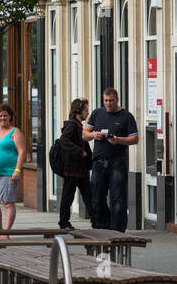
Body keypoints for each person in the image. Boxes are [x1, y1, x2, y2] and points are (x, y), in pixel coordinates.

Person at [86, 87, 138, 232]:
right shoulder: (97, 113)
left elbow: (135, 139)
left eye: (111, 101)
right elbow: (85, 133)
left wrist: (118, 140)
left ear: (117, 100)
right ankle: (101, 226)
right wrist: (93, 135)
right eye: (106, 101)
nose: (108, 104)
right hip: (98, 163)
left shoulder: (126, 116)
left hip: (117, 163)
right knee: (97, 198)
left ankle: (117, 230)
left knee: (118, 199)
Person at [0, 102, 25, 237]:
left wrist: (17, 170)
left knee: (7, 202)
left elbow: (22, 152)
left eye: (6, 116)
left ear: (10, 117)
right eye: (0, 116)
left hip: (8, 173)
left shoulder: (15, 132)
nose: (3, 118)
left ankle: (5, 233)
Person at [57, 98, 93, 232]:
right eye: (85, 111)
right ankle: (64, 222)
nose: (87, 113)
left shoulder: (78, 125)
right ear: (78, 111)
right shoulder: (72, 125)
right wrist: (80, 152)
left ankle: (95, 219)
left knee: (88, 194)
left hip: (80, 168)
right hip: (72, 168)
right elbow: (64, 141)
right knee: (68, 195)